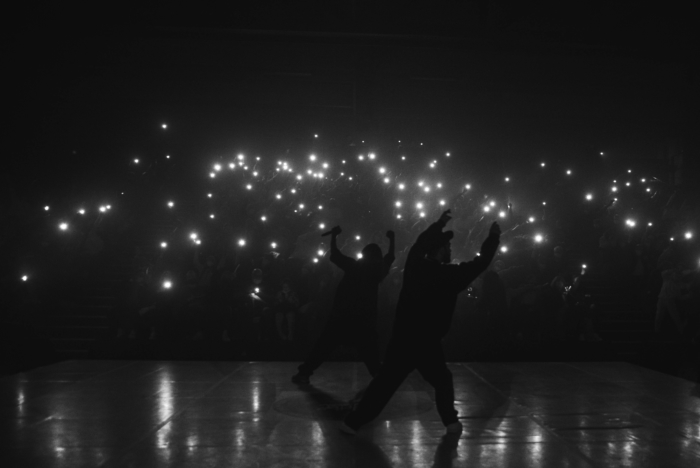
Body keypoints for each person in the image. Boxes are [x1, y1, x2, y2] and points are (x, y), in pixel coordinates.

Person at [341, 210, 500, 435]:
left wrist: (439, 223)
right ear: (440, 250)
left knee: (385, 384)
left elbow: (420, 243)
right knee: (441, 380)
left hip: (403, 338)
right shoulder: (450, 276)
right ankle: (451, 422)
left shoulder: (414, 265)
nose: (450, 250)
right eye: (448, 246)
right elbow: (480, 263)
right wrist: (493, 238)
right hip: (427, 341)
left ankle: (353, 422)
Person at [292, 226, 395, 384]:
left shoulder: (354, 266)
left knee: (324, 346)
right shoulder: (378, 271)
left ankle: (304, 373)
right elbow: (390, 257)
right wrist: (392, 239)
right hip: (364, 319)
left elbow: (334, 255)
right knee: (370, 352)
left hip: (342, 316)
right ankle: (380, 378)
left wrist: (334, 236)